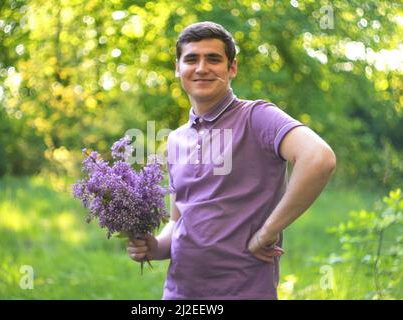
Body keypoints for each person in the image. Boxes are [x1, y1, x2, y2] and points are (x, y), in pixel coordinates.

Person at [127, 21, 336, 300]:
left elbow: (319, 158)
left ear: (232, 68)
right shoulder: (176, 139)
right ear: (178, 68)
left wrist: (267, 232)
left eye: (213, 59)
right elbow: (179, 221)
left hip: (244, 291)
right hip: (179, 293)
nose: (201, 68)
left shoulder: (257, 117)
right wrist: (155, 247)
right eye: (191, 59)